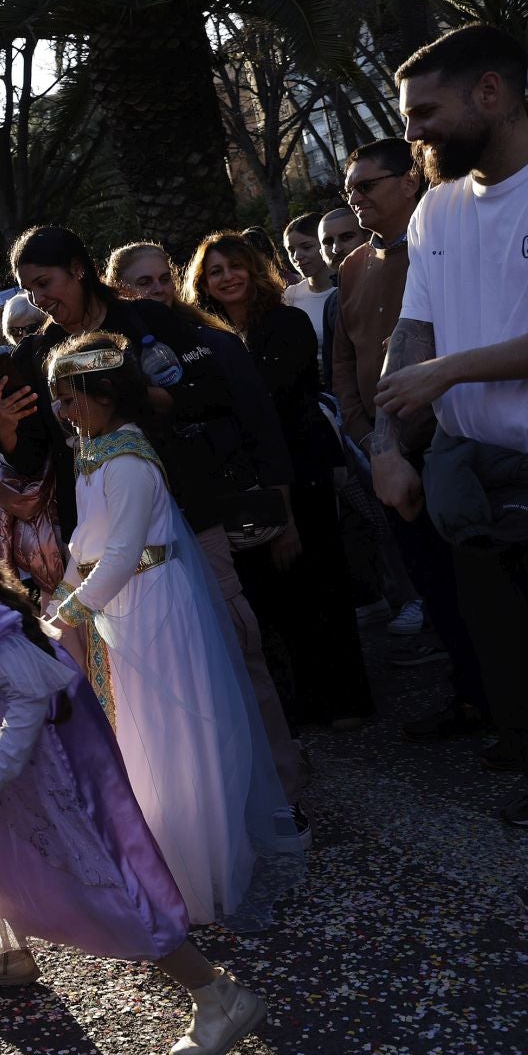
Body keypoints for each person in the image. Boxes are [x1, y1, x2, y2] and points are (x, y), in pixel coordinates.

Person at [0, 490, 267, 1055]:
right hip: (37, 763)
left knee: (106, 874)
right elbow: (27, 673)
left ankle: (216, 993)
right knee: (7, 854)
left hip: (44, 772)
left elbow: (28, 696)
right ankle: (4, 952)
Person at [0, 227, 309, 818]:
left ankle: (280, 785)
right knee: (145, 678)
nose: (38, 300)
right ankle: (186, 807)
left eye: (45, 283)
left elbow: (218, 390)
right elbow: (35, 451)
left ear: (78, 269)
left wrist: (156, 400)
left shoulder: (147, 320)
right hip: (105, 537)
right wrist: (11, 434)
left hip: (186, 514)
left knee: (233, 643)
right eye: (27, 291)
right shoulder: (33, 355)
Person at [372, 23, 528, 918]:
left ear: (491, 93)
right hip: (476, 490)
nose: (416, 133)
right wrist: (387, 443)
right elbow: (413, 332)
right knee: (525, 691)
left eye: (427, 113)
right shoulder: (436, 209)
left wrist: (453, 371)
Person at [41, 334, 297, 926]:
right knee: (136, 730)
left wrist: (70, 613)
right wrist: (63, 596)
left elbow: (126, 550)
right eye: (58, 398)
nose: (63, 409)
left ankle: (192, 875)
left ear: (106, 393)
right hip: (120, 601)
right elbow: (91, 545)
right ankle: (155, 864)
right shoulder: (96, 452)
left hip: (150, 603)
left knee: (165, 730)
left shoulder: (127, 459)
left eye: (70, 396)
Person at [186, 232, 375, 731]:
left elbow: (268, 402)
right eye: (215, 271)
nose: (227, 277)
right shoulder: (204, 338)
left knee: (322, 583)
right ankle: (305, 703)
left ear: (253, 268)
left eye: (234, 266)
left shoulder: (286, 322)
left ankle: (347, 700)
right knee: (275, 594)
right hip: (246, 479)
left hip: (302, 469)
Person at [337, 137, 487, 739]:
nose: (355, 200)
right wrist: (374, 439)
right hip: (388, 452)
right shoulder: (351, 267)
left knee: (478, 584)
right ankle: (470, 696)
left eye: (366, 186)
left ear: (409, 182)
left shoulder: (447, 244)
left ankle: (509, 707)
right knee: (433, 584)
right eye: (348, 190)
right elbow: (344, 363)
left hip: (452, 438)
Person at [281, 212, 340, 366]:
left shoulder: (347, 289)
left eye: (306, 247)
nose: (297, 256)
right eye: (291, 250)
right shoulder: (290, 295)